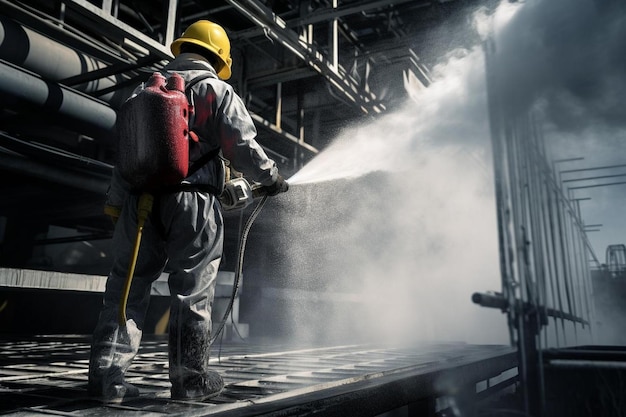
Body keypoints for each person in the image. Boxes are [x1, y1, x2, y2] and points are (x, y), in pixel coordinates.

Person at [88, 20, 289, 402]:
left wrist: (116, 203)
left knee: (125, 291)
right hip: (193, 201)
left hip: (138, 203)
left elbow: (125, 155)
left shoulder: (142, 91)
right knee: (192, 291)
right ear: (219, 57)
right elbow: (241, 145)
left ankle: (106, 382)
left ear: (182, 49)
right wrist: (272, 176)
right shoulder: (217, 89)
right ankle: (189, 381)